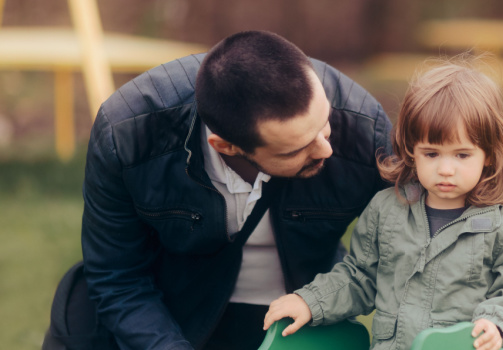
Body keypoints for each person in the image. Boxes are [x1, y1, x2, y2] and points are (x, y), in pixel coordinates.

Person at [42, 30, 392, 350]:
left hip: (292, 318)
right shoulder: (128, 133)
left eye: (324, 123)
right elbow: (117, 276)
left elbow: (410, 244)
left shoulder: (365, 128)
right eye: (295, 149)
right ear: (225, 146)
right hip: (161, 307)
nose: (326, 149)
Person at [263, 59, 503, 350]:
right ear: (412, 150)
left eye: (462, 155)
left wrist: (499, 324)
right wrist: (311, 301)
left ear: (488, 154)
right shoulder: (387, 210)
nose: (445, 169)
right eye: (431, 154)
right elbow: (360, 276)